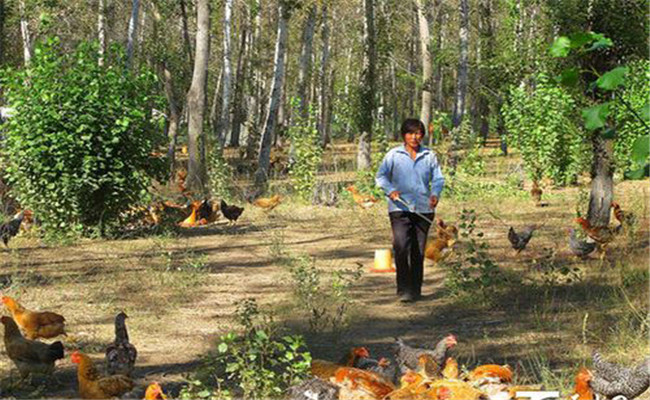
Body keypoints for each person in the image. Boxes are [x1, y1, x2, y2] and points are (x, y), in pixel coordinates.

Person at [375, 118, 445, 303]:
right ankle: (403, 288)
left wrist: (435, 194)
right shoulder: (393, 155)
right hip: (399, 208)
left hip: (424, 208)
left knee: (418, 250)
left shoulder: (429, 155)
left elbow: (438, 178)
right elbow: (381, 177)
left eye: (419, 133)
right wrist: (390, 191)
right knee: (401, 246)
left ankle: (415, 289)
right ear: (404, 135)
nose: (415, 137)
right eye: (411, 133)